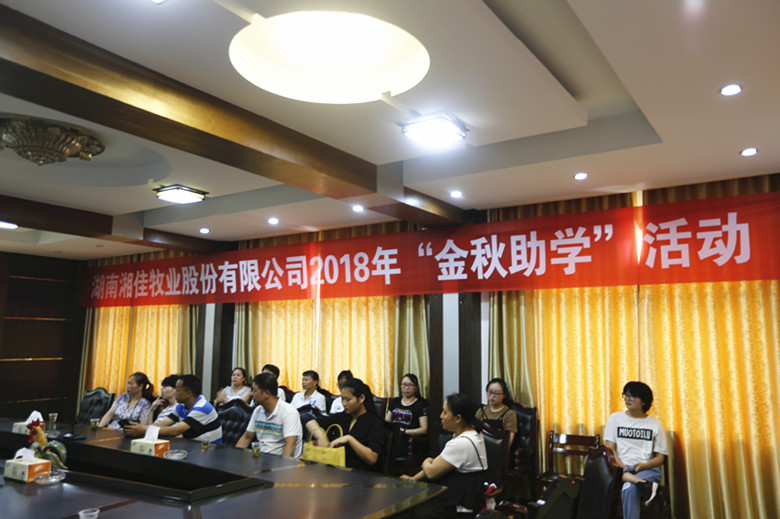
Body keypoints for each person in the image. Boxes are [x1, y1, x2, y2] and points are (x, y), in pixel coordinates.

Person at [401, 393, 488, 517]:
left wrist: (426, 461)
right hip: (463, 498)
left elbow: (431, 472)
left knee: (411, 510)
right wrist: (414, 478)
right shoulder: (473, 433)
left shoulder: (462, 443)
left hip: (461, 508)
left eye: (445, 412)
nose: (441, 416)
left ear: (458, 418)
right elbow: (438, 463)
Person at [605, 381, 668, 519]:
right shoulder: (615, 418)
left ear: (644, 401)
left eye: (633, 396)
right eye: (626, 395)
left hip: (646, 470)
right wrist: (622, 467)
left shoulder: (655, 425)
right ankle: (644, 485)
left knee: (629, 486)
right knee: (628, 485)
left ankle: (640, 481)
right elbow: (610, 449)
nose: (628, 399)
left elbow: (660, 458)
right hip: (619, 466)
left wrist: (643, 466)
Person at [305, 378, 385, 472]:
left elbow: (372, 458)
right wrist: (321, 436)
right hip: (336, 471)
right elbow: (309, 421)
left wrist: (349, 439)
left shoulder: (374, 422)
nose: (344, 403)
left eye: (348, 399)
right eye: (342, 399)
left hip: (360, 474)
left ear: (361, 398)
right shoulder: (343, 417)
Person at [124, 374, 222, 444]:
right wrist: (139, 428)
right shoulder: (181, 406)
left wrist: (143, 430)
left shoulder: (202, 407)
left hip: (210, 448)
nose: (175, 393)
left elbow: (176, 430)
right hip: (192, 445)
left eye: (178, 391)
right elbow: (161, 424)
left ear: (189, 393)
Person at [235, 373, 302, 458]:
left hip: (282, 462)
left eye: (254, 390)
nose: (251, 394)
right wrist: (235, 458)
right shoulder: (258, 410)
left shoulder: (288, 412)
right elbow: (246, 438)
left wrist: (281, 466)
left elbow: (290, 446)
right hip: (261, 459)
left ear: (266, 393)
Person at [476, 377, 517, 446]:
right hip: (480, 447)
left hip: (500, 449)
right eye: (490, 392)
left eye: (497, 393)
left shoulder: (509, 414)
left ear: (504, 395)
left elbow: (509, 440)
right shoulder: (481, 411)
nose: (492, 396)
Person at [386, 373, 429, 437]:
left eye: (410, 385)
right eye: (404, 384)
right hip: (392, 436)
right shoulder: (394, 401)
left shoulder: (421, 405)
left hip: (410, 438)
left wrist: (404, 431)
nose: (406, 387)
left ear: (416, 387)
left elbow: (424, 429)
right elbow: (387, 422)